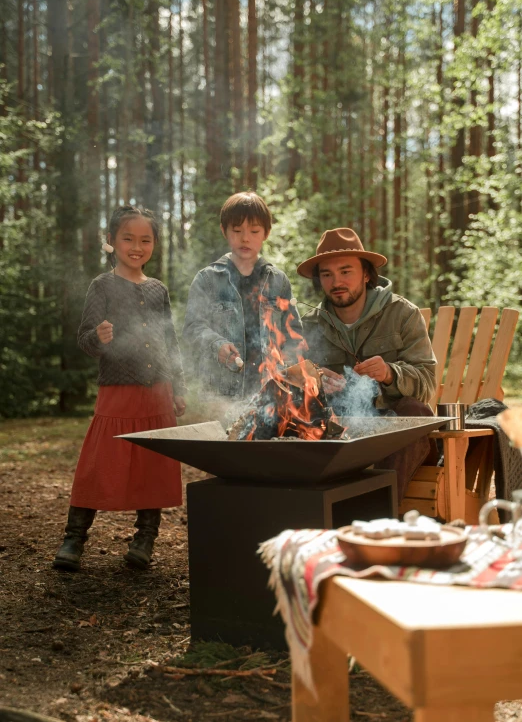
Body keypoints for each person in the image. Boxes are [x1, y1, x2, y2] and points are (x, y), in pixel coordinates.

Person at [53, 205, 187, 572]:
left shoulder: (159, 290)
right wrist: (98, 336)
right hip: (118, 390)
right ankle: (74, 538)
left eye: (146, 240)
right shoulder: (103, 285)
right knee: (99, 464)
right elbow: (84, 338)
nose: (137, 246)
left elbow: (170, 342)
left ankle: (145, 538)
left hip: (158, 390)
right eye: (128, 238)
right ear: (111, 241)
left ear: (155, 244)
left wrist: (178, 386)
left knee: (153, 464)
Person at [297, 227, 437, 502]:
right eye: (327, 274)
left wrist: (390, 373)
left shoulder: (402, 314)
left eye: (346, 271)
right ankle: (306, 513)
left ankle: (377, 513)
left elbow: (427, 382)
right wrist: (317, 385)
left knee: (413, 410)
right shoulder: (309, 325)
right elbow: (296, 390)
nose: (337, 281)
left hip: (395, 435)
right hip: (342, 435)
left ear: (366, 273)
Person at [183, 192, 303, 410]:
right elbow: (192, 328)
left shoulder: (278, 282)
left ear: (266, 233)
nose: (245, 238)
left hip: (270, 395)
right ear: (224, 231)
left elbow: (293, 334)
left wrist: (287, 367)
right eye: (237, 231)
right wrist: (216, 344)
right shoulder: (208, 279)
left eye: (254, 231)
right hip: (221, 397)